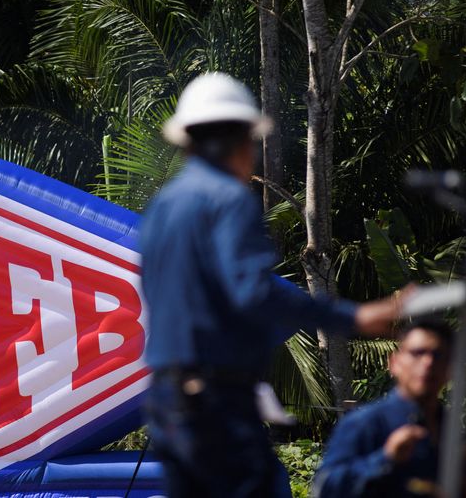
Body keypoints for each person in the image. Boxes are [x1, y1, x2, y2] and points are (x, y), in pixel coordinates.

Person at [140, 72, 408, 497]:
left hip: (166, 400)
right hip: (216, 401)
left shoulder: (161, 208)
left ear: (187, 142)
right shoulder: (228, 200)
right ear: (245, 142)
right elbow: (254, 292)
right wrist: (353, 316)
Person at [313, 320, 466, 497]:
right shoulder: (365, 423)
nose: (428, 362)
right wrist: (385, 458)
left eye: (438, 355)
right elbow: (324, 489)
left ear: (450, 369)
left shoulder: (450, 428)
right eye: (417, 353)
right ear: (394, 363)